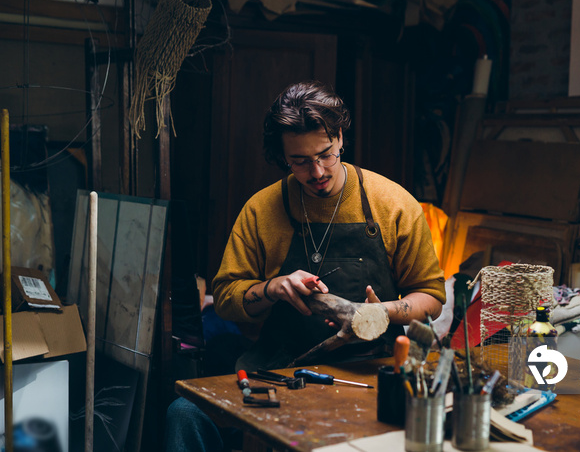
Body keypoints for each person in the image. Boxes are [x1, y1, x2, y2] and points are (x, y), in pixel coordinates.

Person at [165, 80, 445, 451]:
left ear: (340, 137)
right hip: (281, 369)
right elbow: (228, 298)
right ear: (283, 157)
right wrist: (272, 288)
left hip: (369, 371)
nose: (316, 172)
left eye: (326, 154)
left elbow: (431, 297)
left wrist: (377, 312)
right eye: (300, 161)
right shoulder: (261, 210)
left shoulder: (393, 204)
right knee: (184, 414)